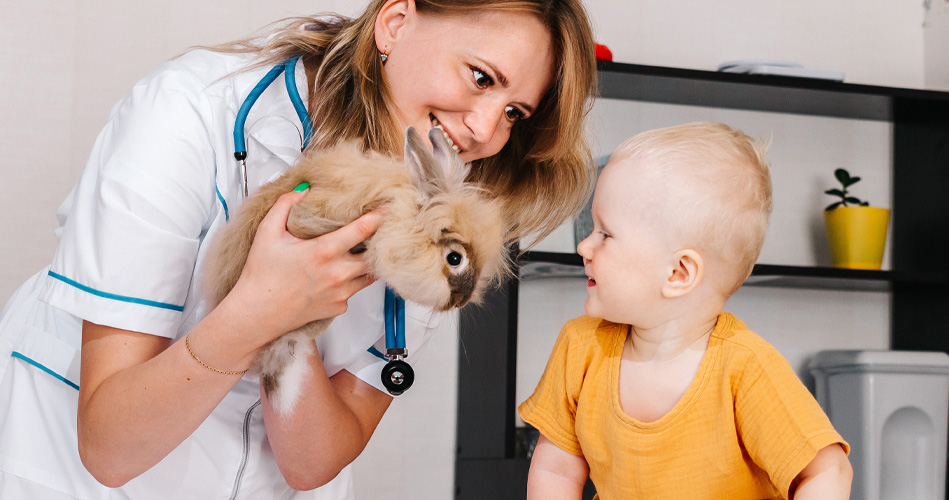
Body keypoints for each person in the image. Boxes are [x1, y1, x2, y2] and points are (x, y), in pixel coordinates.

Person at [0, 1, 597, 498]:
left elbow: (310, 464)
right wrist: (258, 310)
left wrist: (293, 315)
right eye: (481, 77)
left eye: (515, 113)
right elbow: (110, 447)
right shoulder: (191, 111)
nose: (487, 131)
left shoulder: (435, 211)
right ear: (395, 22)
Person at [518, 122, 853, 500]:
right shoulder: (581, 346)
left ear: (678, 273)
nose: (584, 246)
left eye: (605, 234)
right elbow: (555, 471)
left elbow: (827, 470)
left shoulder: (746, 368)